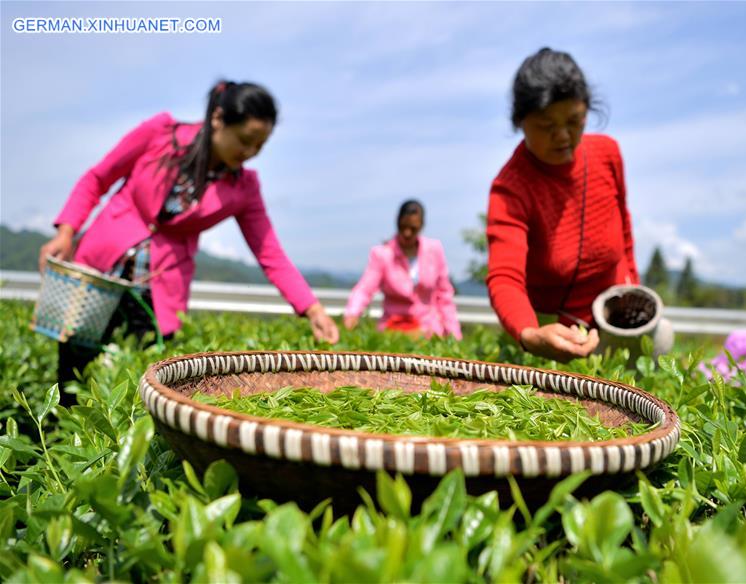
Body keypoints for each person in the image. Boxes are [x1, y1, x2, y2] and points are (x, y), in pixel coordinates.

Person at [39, 80, 339, 397]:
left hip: (158, 291)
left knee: (142, 386)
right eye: (245, 140)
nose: (250, 152)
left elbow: (269, 252)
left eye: (259, 146)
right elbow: (98, 178)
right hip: (98, 272)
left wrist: (313, 309)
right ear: (218, 118)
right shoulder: (160, 134)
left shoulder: (243, 188)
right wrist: (66, 231)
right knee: (72, 373)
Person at [486, 47, 645, 362]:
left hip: (612, 321)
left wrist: (632, 297)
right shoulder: (511, 188)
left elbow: (624, 234)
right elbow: (505, 276)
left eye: (574, 121)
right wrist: (529, 334)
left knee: (662, 340)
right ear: (520, 122)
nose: (562, 136)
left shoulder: (608, 155)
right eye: (546, 126)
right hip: (552, 335)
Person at [343, 200, 462, 340]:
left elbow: (444, 295)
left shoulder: (434, 250)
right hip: (393, 331)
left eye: (413, 229)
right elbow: (364, 289)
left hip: (428, 331)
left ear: (422, 226)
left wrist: (454, 334)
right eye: (403, 227)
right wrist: (352, 313)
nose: (407, 233)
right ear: (397, 222)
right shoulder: (383, 254)